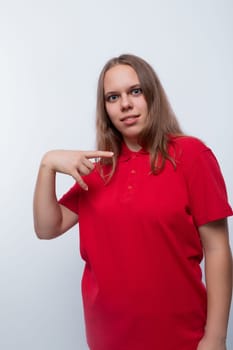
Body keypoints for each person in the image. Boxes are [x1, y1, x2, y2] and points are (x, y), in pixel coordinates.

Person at [33, 54, 233, 350]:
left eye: (135, 91)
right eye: (113, 97)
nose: (125, 104)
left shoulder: (191, 156)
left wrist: (215, 337)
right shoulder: (99, 168)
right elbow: (48, 227)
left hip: (180, 337)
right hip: (107, 338)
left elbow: (217, 249)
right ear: (105, 108)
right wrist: (47, 164)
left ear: (152, 94)